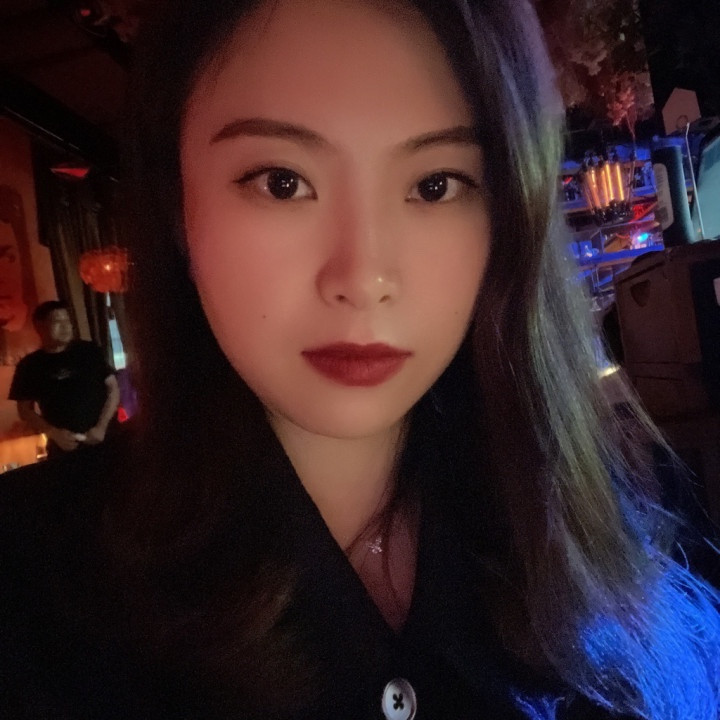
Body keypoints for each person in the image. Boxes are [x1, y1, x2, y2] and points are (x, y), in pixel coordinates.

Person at [1, 1, 719, 718]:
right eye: (282, 181)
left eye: (435, 185)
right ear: (176, 204)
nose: (363, 276)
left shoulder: (625, 530)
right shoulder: (34, 587)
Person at [8, 300, 120, 458]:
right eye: (58, 321)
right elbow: (24, 410)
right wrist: (53, 433)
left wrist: (101, 427)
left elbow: (113, 389)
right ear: (40, 327)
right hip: (64, 447)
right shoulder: (29, 365)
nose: (66, 327)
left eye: (67, 321)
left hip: (106, 438)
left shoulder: (88, 351)